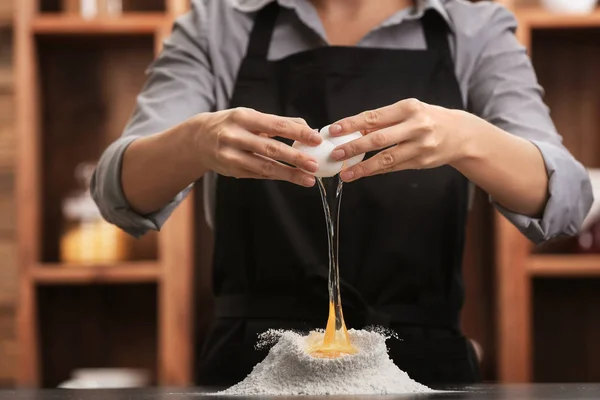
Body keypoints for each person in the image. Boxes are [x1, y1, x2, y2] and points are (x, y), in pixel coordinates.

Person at [91, 0, 592, 386]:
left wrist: (466, 137)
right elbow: (118, 193)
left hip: (422, 366)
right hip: (251, 365)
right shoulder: (219, 22)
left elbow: (567, 202)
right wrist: (194, 142)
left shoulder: (472, 26)